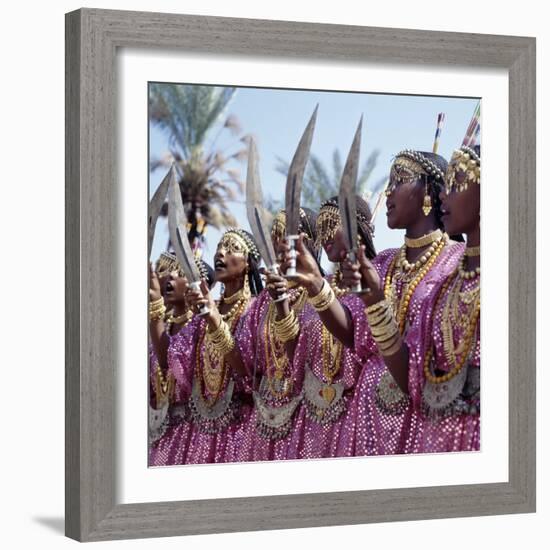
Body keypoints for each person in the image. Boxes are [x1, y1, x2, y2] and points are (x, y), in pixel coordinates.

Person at [340, 150, 464, 455]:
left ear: (428, 192)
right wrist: (317, 288)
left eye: (400, 180)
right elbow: (351, 332)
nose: (389, 191)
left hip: (420, 414)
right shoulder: (382, 263)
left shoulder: (456, 262)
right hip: (366, 415)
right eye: (390, 182)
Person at [149, 229, 262, 465]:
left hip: (237, 433)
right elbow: (171, 362)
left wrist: (214, 320)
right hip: (197, 434)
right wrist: (156, 308)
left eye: (232, 248)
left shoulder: (254, 310)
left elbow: (248, 375)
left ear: (249, 263)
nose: (220, 252)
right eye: (220, 246)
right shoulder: (204, 313)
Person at [278, 195, 377, 458]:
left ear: (358, 227)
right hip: (312, 416)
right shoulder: (320, 288)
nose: (324, 235)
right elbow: (298, 360)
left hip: (358, 409)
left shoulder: (381, 273)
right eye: (320, 228)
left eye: (332, 223)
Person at [405, 144, 481, 452]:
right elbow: (411, 375)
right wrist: (373, 303)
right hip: (438, 438)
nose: (442, 196)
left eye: (456, 183)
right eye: (443, 185)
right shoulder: (441, 288)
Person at [234, 208, 321, 462]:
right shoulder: (261, 303)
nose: (277, 245)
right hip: (263, 416)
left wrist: (283, 304)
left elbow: (308, 363)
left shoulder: (320, 295)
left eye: (284, 236)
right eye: (274, 237)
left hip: (306, 413)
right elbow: (246, 366)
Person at [147, 253, 214, 452]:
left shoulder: (200, 328)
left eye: (181, 273)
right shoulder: (163, 328)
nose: (171, 277)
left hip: (193, 437)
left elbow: (171, 363)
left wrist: (155, 309)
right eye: (168, 272)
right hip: (160, 434)